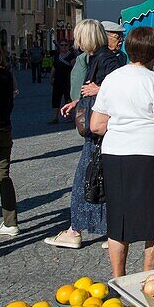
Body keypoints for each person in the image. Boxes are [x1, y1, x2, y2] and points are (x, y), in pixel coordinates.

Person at [89, 26, 154, 277]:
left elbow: (96, 125)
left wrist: (123, 122)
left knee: (118, 223)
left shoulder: (112, 79)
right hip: (151, 156)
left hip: (115, 154)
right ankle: (146, 279)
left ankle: (118, 279)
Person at [44, 20, 123, 250]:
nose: (76, 42)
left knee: (85, 180)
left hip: (100, 132)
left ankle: (75, 231)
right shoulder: (97, 58)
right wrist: (79, 101)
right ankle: (106, 230)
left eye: (79, 37)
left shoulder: (105, 59)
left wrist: (98, 91)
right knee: (96, 179)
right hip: (98, 130)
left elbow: (119, 88)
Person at [0, 49, 19, 239]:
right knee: (3, 176)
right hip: (4, 128)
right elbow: (12, 99)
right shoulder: (7, 75)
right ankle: (10, 221)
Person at [49, 39, 75, 123]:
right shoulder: (57, 55)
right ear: (59, 46)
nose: (64, 46)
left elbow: (74, 68)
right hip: (58, 79)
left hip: (68, 79)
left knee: (68, 98)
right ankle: (55, 117)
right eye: (62, 45)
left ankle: (68, 116)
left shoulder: (71, 56)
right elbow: (54, 67)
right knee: (56, 98)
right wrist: (51, 77)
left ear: (68, 46)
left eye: (65, 45)